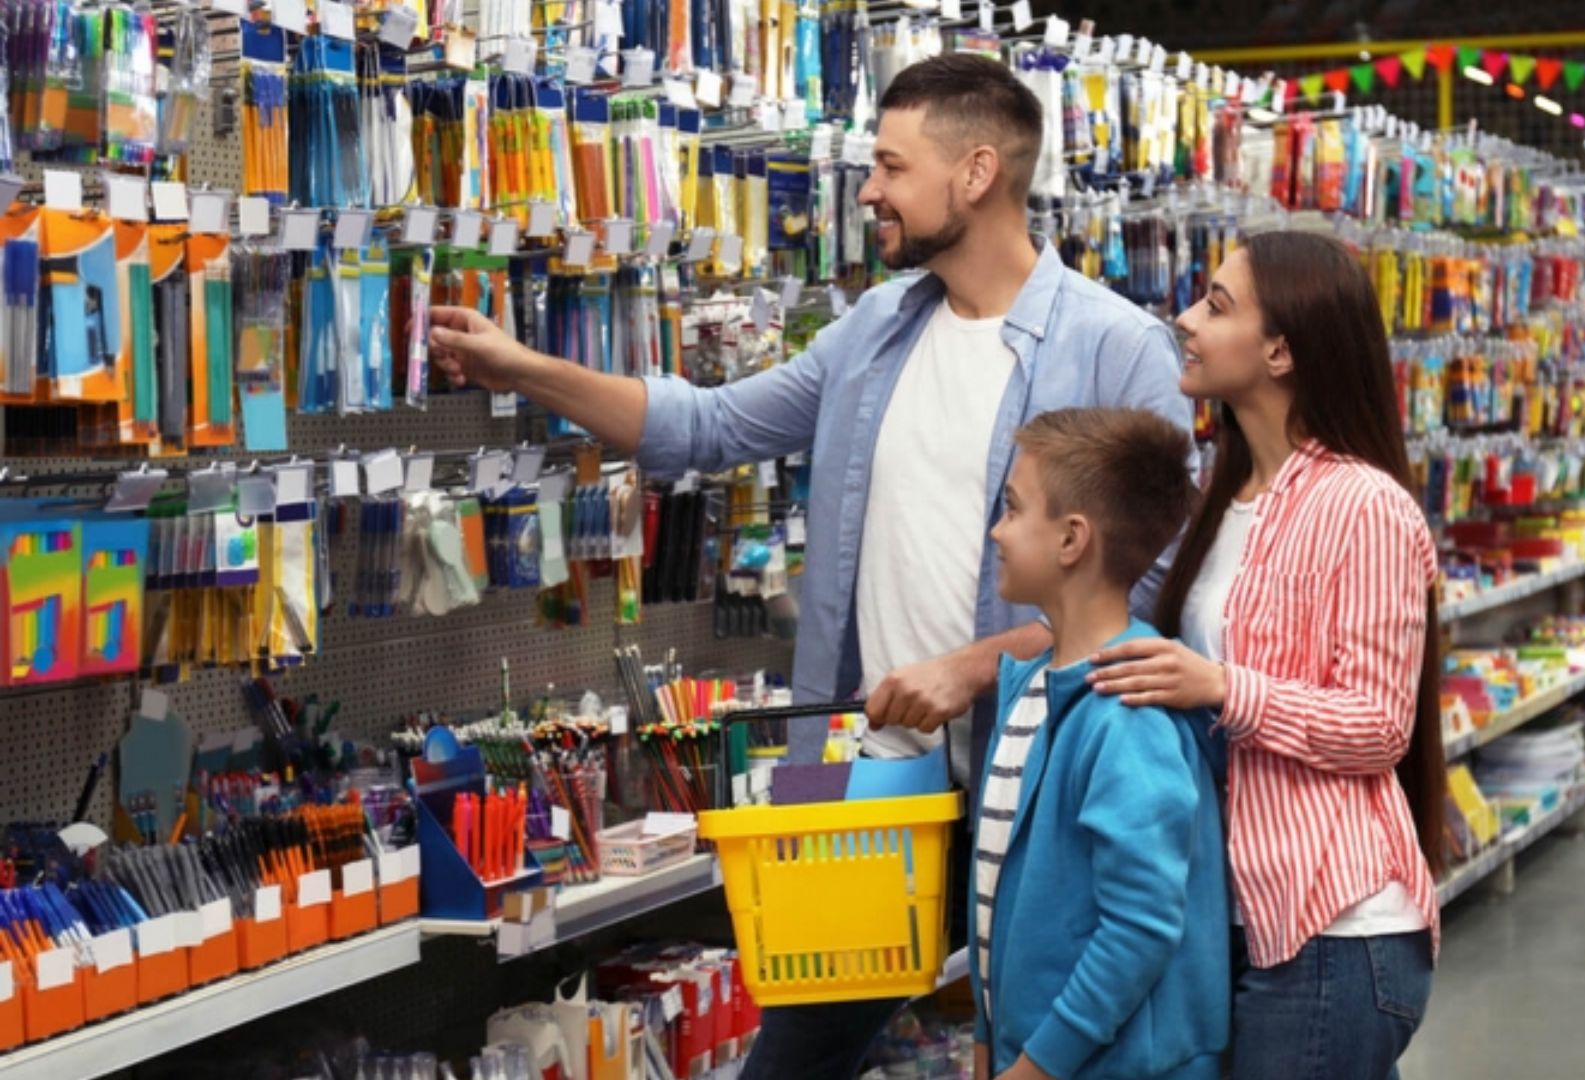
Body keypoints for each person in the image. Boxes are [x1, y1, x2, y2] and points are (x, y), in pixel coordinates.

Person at [426, 53, 1191, 1080]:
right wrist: (519, 364)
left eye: (889, 166)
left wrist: (970, 668)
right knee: (794, 1057)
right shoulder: (878, 329)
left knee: (1036, 1046)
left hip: (1037, 780)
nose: (867, 189)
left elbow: (1146, 598)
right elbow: (705, 426)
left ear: (975, 173)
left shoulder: (1118, 350)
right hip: (875, 784)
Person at [1085, 230, 1447, 1080]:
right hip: (1245, 916)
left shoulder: (1364, 507)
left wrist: (1220, 686)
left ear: (1280, 350)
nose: (1184, 320)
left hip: (1334, 929)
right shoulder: (1226, 494)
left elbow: (1376, 727)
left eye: (1216, 305)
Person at [973, 408, 1227, 1080]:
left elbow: (1140, 927)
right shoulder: (1031, 687)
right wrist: (987, 1036)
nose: (997, 531)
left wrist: (1035, 1066)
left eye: (1013, 509)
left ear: (1071, 540)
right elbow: (997, 894)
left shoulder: (1126, 711)